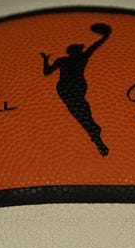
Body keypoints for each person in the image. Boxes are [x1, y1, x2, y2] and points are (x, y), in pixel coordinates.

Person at [41, 23, 112, 155]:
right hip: (69, 89)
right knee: (83, 114)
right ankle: (97, 138)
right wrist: (105, 36)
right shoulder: (79, 59)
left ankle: (96, 135)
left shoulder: (66, 60)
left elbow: (46, 71)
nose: (81, 50)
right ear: (74, 51)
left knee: (83, 112)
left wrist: (45, 61)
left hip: (70, 89)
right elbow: (94, 47)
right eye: (79, 49)